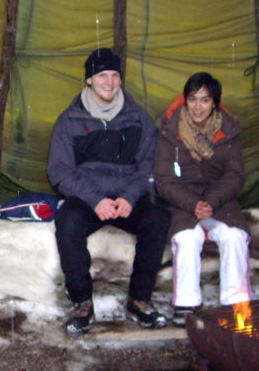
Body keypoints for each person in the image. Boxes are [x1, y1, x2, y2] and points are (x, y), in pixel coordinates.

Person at [48, 48, 171, 335]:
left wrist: (130, 196)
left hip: (128, 198)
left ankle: (140, 299)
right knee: (67, 223)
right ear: (89, 80)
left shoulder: (137, 117)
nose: (110, 82)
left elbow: (149, 165)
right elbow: (60, 171)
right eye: (102, 75)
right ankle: (81, 302)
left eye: (115, 75)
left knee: (157, 218)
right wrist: (95, 200)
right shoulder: (70, 120)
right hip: (90, 199)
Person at [153, 72, 252, 327]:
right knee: (188, 238)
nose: (198, 107)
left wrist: (211, 201)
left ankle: (236, 304)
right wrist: (192, 204)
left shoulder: (228, 132)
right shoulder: (169, 131)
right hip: (182, 203)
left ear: (214, 103)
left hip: (219, 203)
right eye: (193, 99)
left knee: (234, 236)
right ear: (185, 100)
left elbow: (235, 174)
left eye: (205, 100)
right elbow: (163, 180)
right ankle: (186, 303)